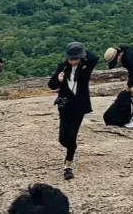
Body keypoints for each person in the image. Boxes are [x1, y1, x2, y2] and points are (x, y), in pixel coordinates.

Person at [47, 42, 99, 180]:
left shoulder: (86, 66)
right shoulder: (63, 67)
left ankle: (68, 166)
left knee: (71, 136)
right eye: (71, 58)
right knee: (63, 139)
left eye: (76, 58)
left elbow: (95, 58)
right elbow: (51, 85)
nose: (74, 61)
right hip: (64, 106)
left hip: (79, 107)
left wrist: (80, 49)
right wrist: (58, 80)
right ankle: (72, 148)